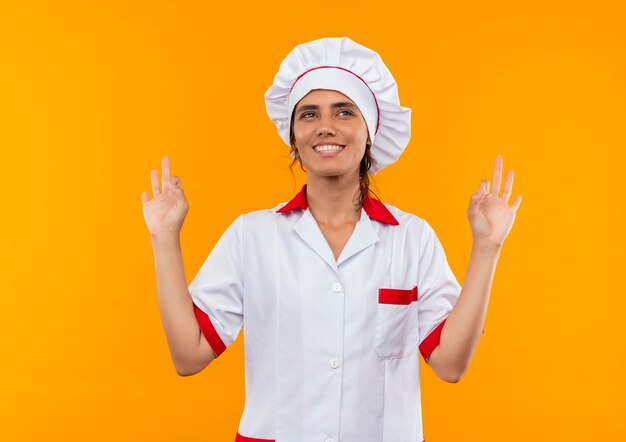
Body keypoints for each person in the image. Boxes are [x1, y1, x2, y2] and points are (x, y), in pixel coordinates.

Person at [141, 37, 522, 442]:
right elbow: (188, 355)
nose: (326, 126)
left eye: (344, 111)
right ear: (293, 137)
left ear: (370, 131)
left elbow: (450, 366)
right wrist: (164, 238)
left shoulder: (412, 239)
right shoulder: (251, 235)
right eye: (308, 114)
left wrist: (487, 247)